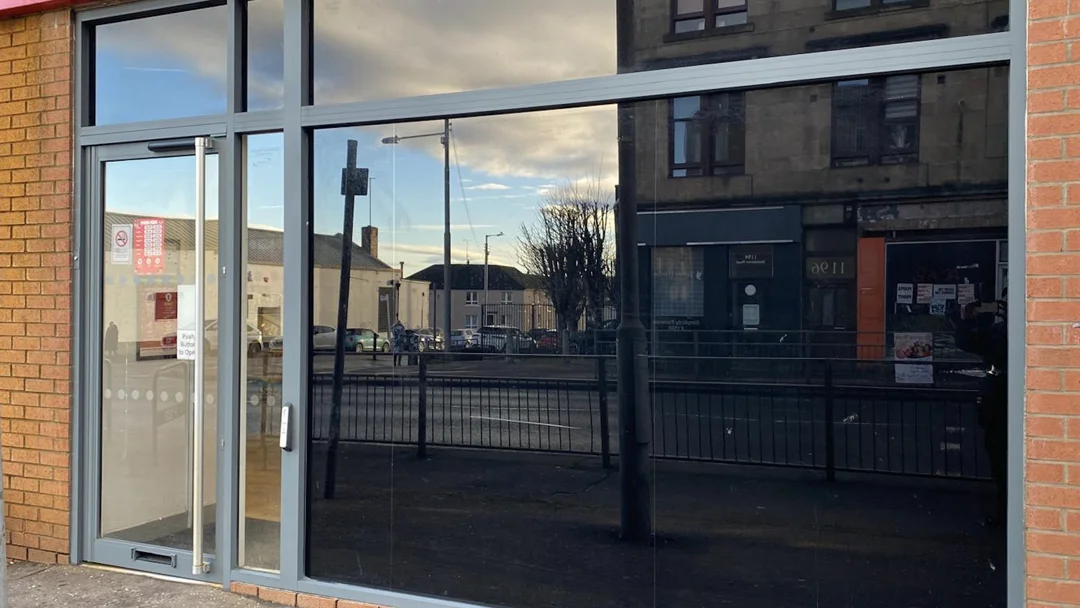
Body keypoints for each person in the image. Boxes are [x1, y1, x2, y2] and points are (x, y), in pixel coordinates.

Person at [955, 287, 1007, 526]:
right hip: (996, 401)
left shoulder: (1004, 332)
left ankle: (1006, 510)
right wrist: (967, 321)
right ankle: (1004, 508)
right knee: (998, 457)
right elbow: (969, 342)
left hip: (1000, 400)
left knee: (1001, 457)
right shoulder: (999, 330)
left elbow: (979, 344)